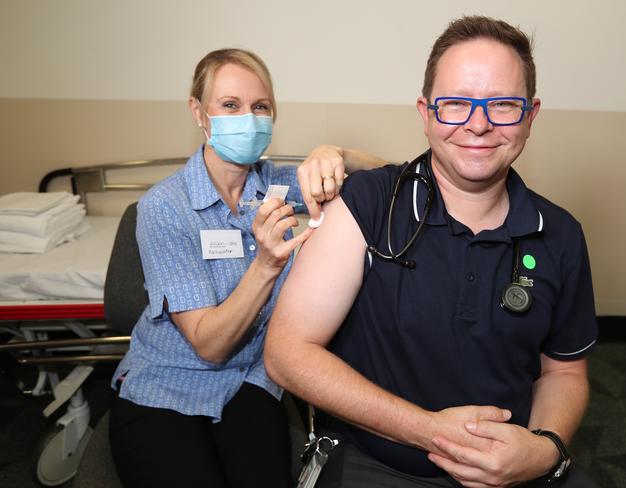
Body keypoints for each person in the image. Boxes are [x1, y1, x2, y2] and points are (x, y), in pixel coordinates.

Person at [264, 16, 598, 488]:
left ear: (530, 114)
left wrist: (544, 447)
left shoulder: (559, 235)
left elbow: (564, 371)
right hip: (377, 463)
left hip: (511, 469)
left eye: (502, 104)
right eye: (456, 104)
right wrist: (428, 432)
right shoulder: (369, 205)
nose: (478, 125)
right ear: (425, 112)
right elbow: (287, 352)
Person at [108, 48, 385, 488]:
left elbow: (391, 176)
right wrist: (267, 263)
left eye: (260, 107)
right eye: (230, 106)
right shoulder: (165, 207)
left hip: (252, 383)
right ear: (199, 112)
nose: (248, 118)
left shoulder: (279, 183)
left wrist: (335, 152)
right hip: (166, 387)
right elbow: (209, 346)